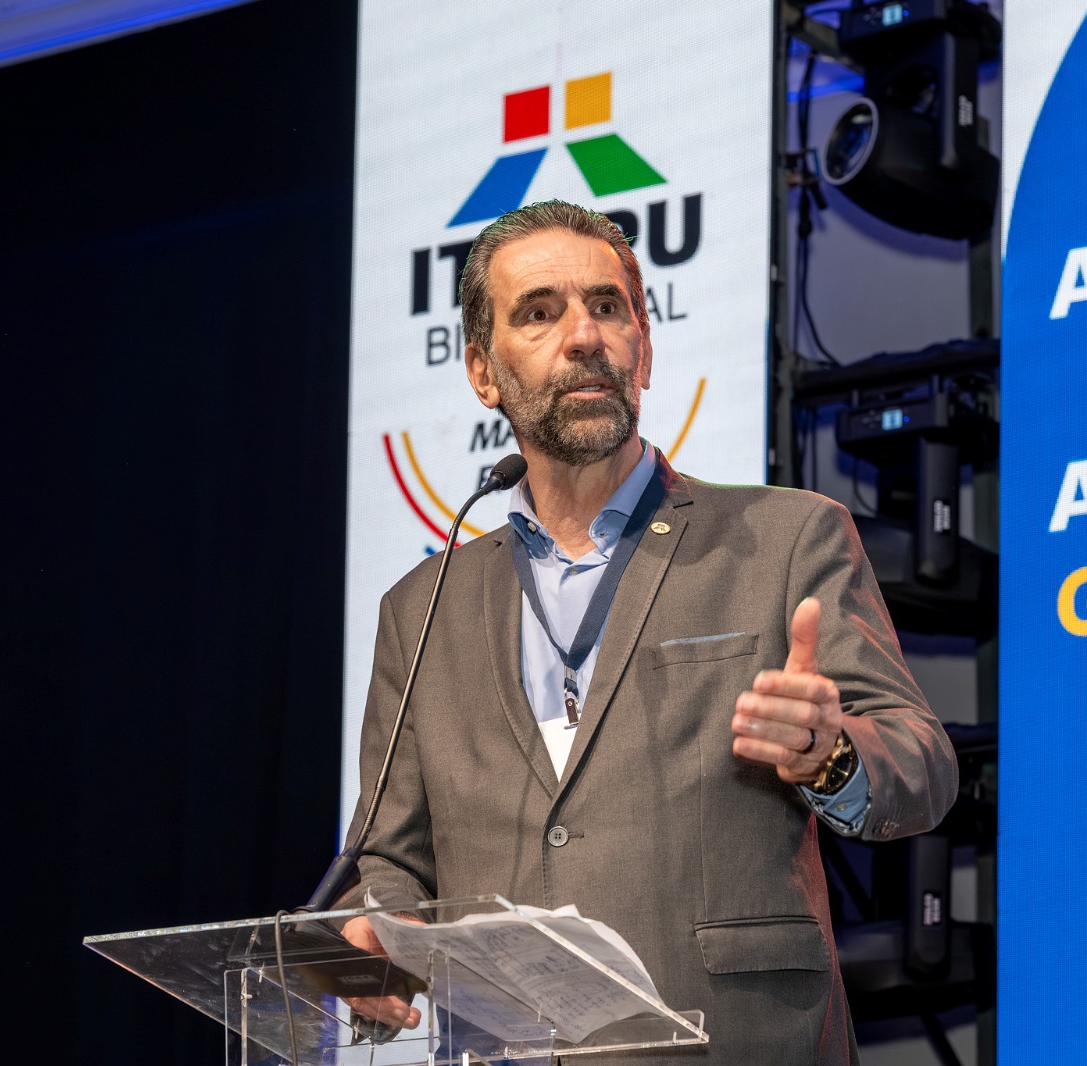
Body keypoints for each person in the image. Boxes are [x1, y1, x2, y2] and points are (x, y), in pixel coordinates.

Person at [339, 200, 957, 1062]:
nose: (583, 336)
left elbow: (923, 764)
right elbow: (389, 858)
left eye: (607, 306)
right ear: (483, 371)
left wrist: (831, 754)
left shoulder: (786, 539)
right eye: (539, 313)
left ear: (646, 347)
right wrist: (376, 936)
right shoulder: (421, 607)